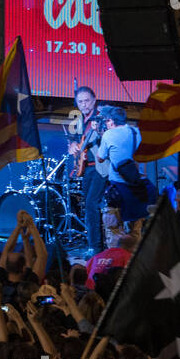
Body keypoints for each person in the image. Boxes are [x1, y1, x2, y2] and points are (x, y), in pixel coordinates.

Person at [67, 86, 107, 254]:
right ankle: (94, 244)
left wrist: (101, 132)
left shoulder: (101, 118)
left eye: (87, 101)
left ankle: (96, 248)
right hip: (86, 169)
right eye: (80, 102)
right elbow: (72, 142)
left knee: (91, 204)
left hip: (100, 168)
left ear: (94, 100)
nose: (84, 104)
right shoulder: (78, 122)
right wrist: (72, 146)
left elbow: (110, 137)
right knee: (88, 206)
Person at [95, 106, 149, 225]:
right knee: (135, 226)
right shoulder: (136, 132)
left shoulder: (108, 134)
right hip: (137, 183)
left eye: (107, 121)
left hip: (118, 184)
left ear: (111, 120)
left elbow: (100, 158)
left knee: (115, 226)